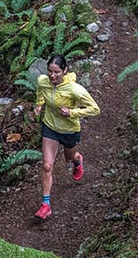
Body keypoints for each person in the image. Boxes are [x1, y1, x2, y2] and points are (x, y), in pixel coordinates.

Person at [32, 54, 100, 220]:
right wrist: (39, 104)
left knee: (69, 158)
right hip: (50, 127)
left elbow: (95, 109)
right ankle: (45, 204)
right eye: (50, 71)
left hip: (69, 130)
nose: (52, 76)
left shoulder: (74, 89)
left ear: (65, 71)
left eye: (57, 72)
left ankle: (77, 160)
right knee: (47, 166)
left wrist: (72, 112)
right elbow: (41, 90)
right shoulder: (43, 81)